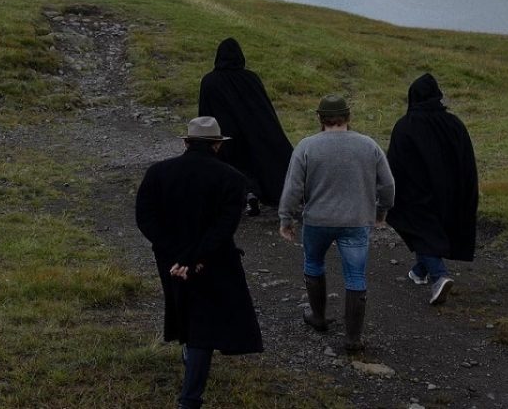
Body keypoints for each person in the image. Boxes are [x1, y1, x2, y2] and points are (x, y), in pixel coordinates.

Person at [135, 116, 263, 409]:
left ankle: (190, 374)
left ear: (186, 142)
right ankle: (189, 400)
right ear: (217, 144)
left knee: (185, 310)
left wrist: (177, 256)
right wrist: (194, 258)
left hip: (170, 261)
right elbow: (224, 226)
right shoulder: (232, 178)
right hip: (212, 259)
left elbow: (145, 218)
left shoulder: (158, 173)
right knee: (203, 325)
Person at [278, 94, 395, 353]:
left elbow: (293, 187)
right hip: (356, 221)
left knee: (313, 263)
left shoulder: (306, 146)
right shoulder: (369, 145)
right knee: (355, 275)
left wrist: (286, 218)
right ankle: (353, 338)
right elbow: (387, 185)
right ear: (348, 117)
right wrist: (381, 212)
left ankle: (318, 317)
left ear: (319, 118)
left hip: (317, 221)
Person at [385, 73, 479, 306]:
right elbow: (467, 160)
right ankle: (419, 271)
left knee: (419, 229)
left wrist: (388, 195)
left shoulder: (405, 126)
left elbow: (394, 163)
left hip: (416, 194)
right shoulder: (454, 124)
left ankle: (439, 276)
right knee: (430, 232)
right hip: (451, 192)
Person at [198, 38, 294, 216]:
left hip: (223, 136)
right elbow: (264, 109)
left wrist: (204, 139)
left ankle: (241, 196)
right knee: (255, 164)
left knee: (229, 167)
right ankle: (255, 193)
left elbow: (205, 113)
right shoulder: (250, 78)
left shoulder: (210, 81)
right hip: (252, 132)